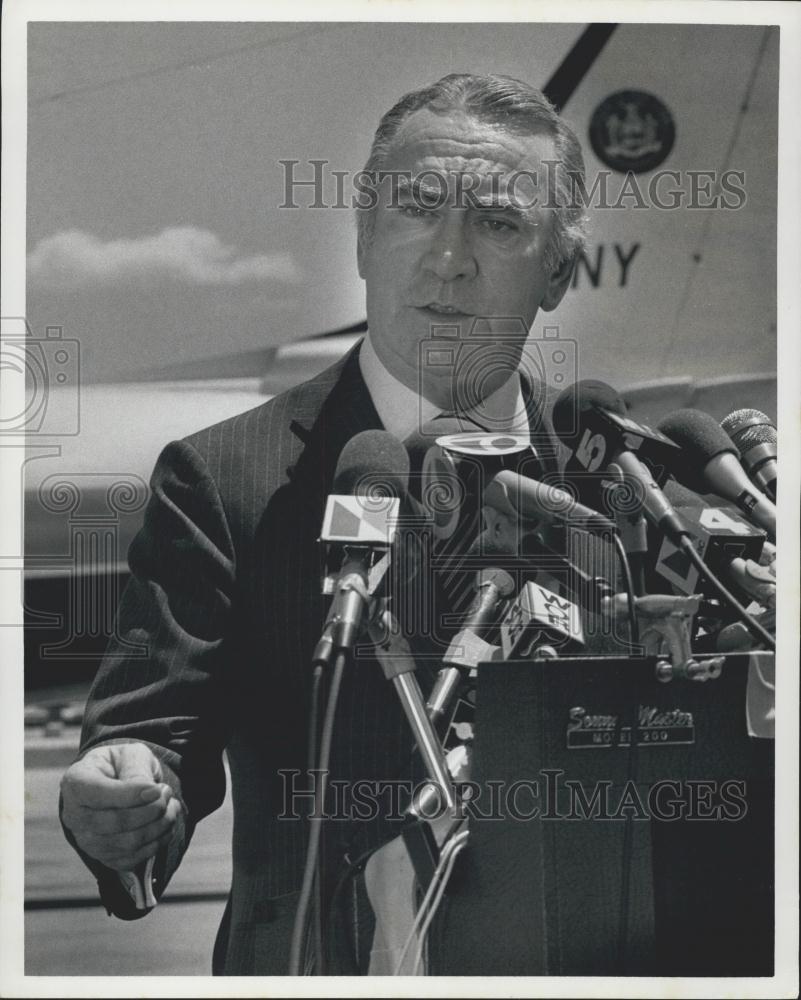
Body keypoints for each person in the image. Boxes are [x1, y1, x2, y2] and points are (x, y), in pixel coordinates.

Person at [59, 73, 590, 975]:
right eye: (417, 209)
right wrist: (123, 799)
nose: (448, 258)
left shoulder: (615, 486)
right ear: (362, 237)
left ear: (557, 273)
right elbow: (154, 737)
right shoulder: (223, 479)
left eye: (498, 225)